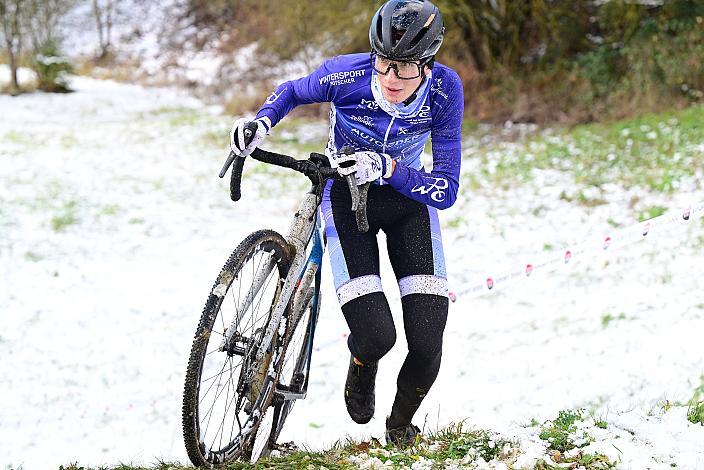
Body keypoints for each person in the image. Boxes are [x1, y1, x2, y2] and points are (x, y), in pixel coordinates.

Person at [230, 0, 463, 447]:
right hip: (344, 197)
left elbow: (446, 190)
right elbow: (294, 91)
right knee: (377, 335)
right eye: (386, 64)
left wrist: (391, 169)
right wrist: (260, 123)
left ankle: (399, 425)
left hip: (407, 203)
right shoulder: (347, 74)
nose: (392, 78)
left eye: (407, 68)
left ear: (428, 64)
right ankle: (363, 364)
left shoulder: (446, 91)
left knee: (427, 343)